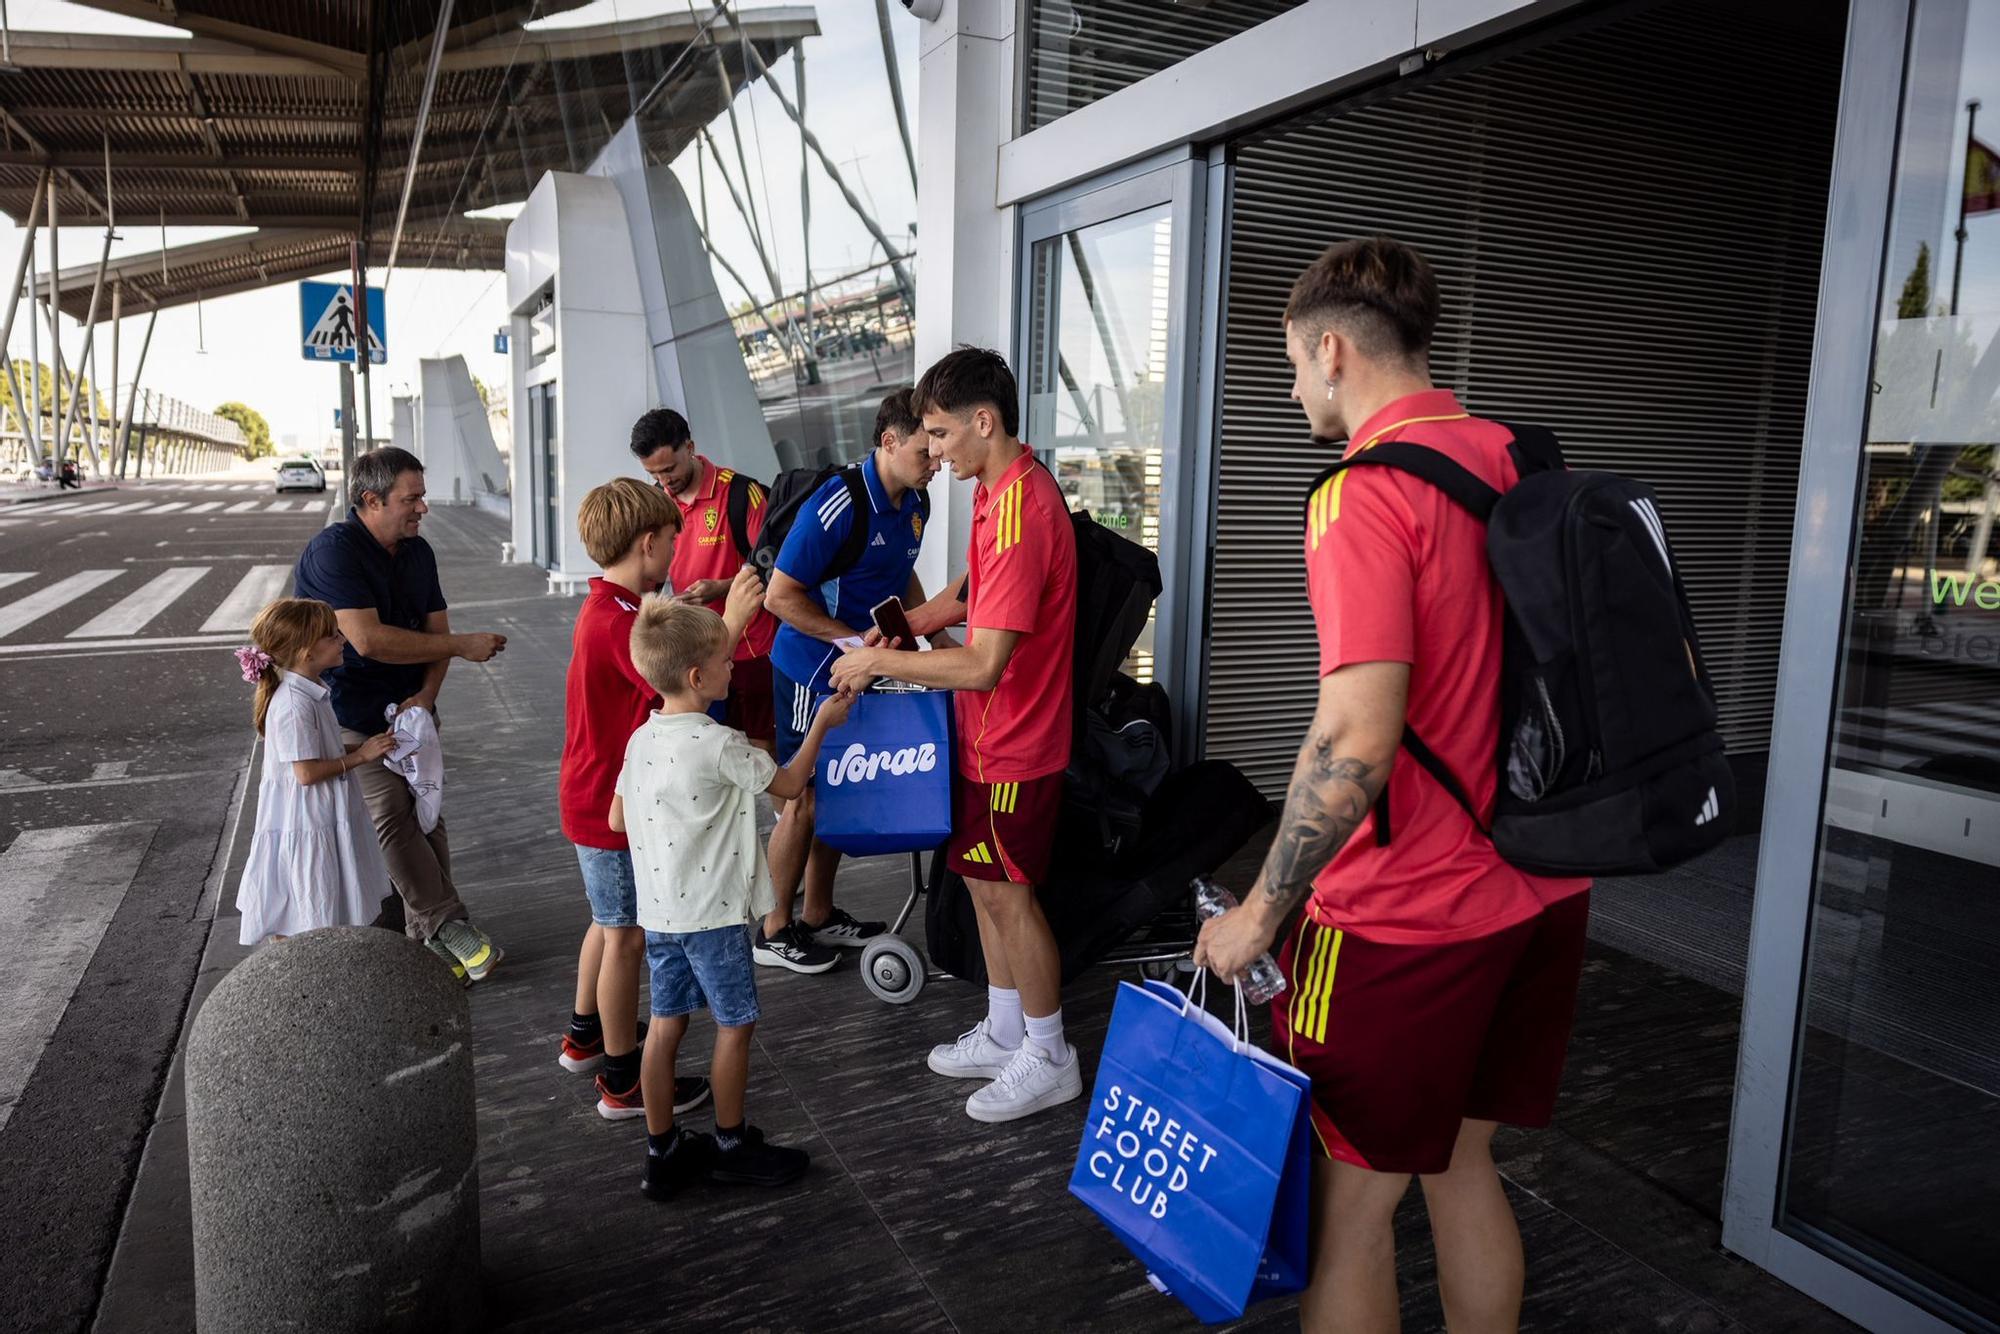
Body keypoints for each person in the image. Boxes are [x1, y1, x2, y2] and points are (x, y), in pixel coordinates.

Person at [1192, 236, 1593, 1334]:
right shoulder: (1522, 453)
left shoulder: (1359, 494)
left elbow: (1354, 741)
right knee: (1464, 1163)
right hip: (1542, 890)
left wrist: (1259, 913)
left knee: (1348, 1204)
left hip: (1404, 918)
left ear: (1331, 350)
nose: (1290, 391)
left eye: (1289, 366)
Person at [830, 348, 1081, 1125]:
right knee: (979, 886)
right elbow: (967, 596)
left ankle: (1050, 1053)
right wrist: (899, 630)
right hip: (981, 741)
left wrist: (876, 658)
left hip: (1013, 742)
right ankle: (1009, 1031)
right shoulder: (996, 488)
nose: (930, 449)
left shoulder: (1020, 510)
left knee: (1010, 899)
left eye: (939, 434)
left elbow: (981, 665)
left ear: (984, 421)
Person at [613, 596, 850, 1199]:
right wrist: (822, 722)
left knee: (666, 1026)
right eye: (725, 660)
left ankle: (661, 1151)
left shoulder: (642, 738)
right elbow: (793, 785)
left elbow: (618, 818)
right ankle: (728, 1143)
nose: (733, 665)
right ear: (698, 678)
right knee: (734, 1026)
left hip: (661, 912)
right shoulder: (720, 745)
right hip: (714, 915)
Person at [556, 476, 763, 1122]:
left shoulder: (608, 608)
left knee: (605, 919)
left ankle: (586, 1034)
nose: (678, 550)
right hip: (612, 806)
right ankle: (622, 1079)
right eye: (673, 539)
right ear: (648, 543)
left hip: (591, 793)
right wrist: (730, 624)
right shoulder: (622, 624)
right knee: (624, 937)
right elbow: (687, 685)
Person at [293, 445, 511, 984]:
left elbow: (436, 637)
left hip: (412, 711)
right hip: (349, 713)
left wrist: (427, 696)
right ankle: (448, 923)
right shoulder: (334, 553)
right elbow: (365, 641)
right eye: (410, 499)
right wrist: (462, 648)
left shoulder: (418, 552)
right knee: (391, 813)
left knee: (428, 818)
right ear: (371, 500)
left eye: (422, 496)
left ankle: (427, 942)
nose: (423, 508)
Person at [755, 388, 938, 974]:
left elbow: (899, 575)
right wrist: (852, 642)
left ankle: (818, 912)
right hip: (811, 670)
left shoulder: (916, 502)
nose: (935, 462)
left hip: (862, 664)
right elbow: (780, 597)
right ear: (887, 441)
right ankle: (774, 927)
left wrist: (923, 632)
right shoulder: (837, 506)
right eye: (922, 451)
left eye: (936, 451)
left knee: (835, 790)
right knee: (804, 798)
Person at [233, 598, 398, 945]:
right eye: (332, 636)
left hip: (318, 811)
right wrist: (362, 756)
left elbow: (318, 751)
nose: (342, 640)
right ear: (307, 653)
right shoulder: (294, 703)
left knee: (319, 895)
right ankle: (307, 963)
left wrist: (365, 746)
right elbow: (306, 773)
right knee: (310, 900)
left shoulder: (309, 692)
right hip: (308, 816)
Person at [629, 409, 780, 757]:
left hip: (753, 649)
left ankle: (780, 815)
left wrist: (723, 587)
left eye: (670, 469)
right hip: (694, 654)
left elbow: (779, 571)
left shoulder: (741, 494)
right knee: (705, 749)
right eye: (653, 473)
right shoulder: (654, 504)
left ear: (690, 447)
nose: (665, 481)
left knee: (763, 747)